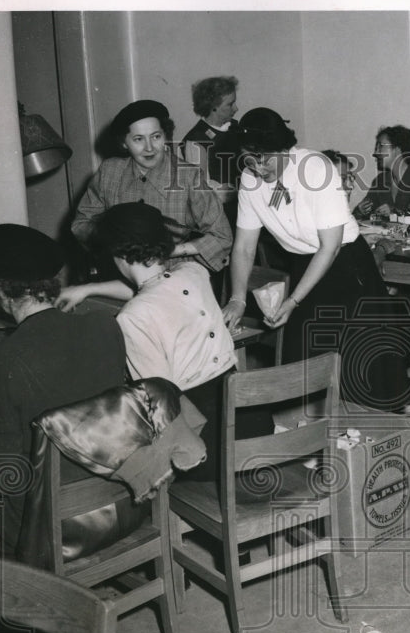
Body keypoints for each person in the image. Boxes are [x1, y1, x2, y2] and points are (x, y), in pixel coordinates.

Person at [63, 202, 270, 480]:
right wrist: (88, 289)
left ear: (118, 254)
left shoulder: (132, 318)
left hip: (206, 444)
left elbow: (159, 405)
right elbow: (156, 289)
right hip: (251, 424)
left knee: (108, 448)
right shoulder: (195, 274)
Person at [224, 107, 407, 411]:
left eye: (266, 157)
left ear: (286, 149)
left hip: (348, 268)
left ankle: (372, 444)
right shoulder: (250, 179)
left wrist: (293, 300)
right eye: (250, 158)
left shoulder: (315, 168)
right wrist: (237, 299)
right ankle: (316, 441)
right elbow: (244, 246)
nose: (258, 167)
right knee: (307, 365)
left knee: (364, 370)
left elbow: (330, 247)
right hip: (304, 267)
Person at [0, 224, 127, 555]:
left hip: (62, 530)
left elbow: (3, 476)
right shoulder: (105, 325)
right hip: (128, 501)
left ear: (0, 290)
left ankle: (22, 600)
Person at [71, 99, 233, 277]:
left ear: (166, 136)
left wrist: (171, 251)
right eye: (138, 139)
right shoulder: (109, 171)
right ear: (124, 143)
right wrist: (116, 245)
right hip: (118, 273)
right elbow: (81, 225)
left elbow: (222, 237)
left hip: (172, 273)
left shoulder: (189, 176)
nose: (149, 148)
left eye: (156, 136)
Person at [180, 76, 241, 228]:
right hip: (217, 216)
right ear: (213, 107)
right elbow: (202, 192)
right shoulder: (195, 140)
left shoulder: (235, 128)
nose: (236, 109)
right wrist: (238, 191)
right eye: (230, 104)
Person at [355, 125, 410, 217]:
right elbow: (363, 216)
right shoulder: (380, 181)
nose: (376, 153)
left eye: (381, 146)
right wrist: (359, 211)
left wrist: (395, 212)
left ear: (397, 149)